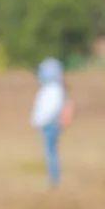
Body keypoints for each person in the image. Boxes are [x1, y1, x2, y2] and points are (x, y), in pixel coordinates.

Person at [30, 58, 74, 187]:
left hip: (50, 125)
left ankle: (54, 180)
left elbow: (50, 109)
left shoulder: (53, 90)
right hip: (48, 125)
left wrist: (38, 121)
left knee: (51, 153)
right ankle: (53, 179)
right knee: (50, 152)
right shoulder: (52, 89)